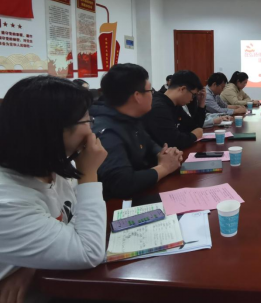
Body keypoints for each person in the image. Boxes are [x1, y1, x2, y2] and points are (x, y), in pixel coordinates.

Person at [0, 76, 107, 302]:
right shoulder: (6, 199)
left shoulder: (53, 165)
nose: (92, 131)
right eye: (87, 121)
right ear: (53, 130)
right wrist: (89, 174)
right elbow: (89, 252)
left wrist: (32, 264)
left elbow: (76, 222)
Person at [92, 64, 182, 200]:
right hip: (117, 205)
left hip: (141, 192)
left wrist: (164, 154)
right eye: (150, 91)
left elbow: (149, 143)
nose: (153, 95)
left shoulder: (129, 118)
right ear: (137, 96)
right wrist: (165, 168)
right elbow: (122, 183)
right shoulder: (106, 131)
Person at [143, 70, 205, 150]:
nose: (192, 99)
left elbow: (194, 127)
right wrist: (194, 136)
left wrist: (201, 104)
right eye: (193, 95)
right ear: (182, 89)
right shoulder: (158, 108)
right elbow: (174, 141)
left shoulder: (175, 104)